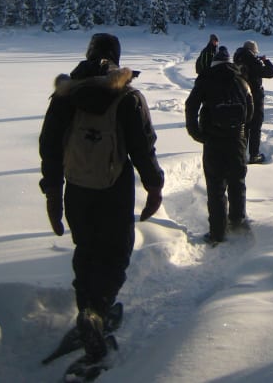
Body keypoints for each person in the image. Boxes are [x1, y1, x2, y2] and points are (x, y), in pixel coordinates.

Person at [39, 33, 164, 363]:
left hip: (76, 186)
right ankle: (97, 312)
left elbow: (50, 145)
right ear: (116, 57)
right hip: (114, 189)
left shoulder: (65, 95)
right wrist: (154, 186)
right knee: (115, 252)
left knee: (87, 250)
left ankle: (87, 310)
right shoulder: (126, 96)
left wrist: (53, 191)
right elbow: (143, 147)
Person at [185, 45, 254, 243]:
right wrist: (242, 127)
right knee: (237, 180)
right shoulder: (241, 80)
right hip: (237, 139)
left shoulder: (206, 79)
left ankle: (217, 231)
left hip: (213, 139)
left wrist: (196, 132)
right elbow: (250, 109)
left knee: (215, 186)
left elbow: (191, 106)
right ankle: (237, 219)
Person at [233, 40, 273, 164]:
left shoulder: (237, 59)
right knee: (256, 126)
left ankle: (241, 154)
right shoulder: (253, 62)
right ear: (253, 51)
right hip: (255, 97)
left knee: (244, 127)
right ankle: (254, 155)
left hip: (240, 97)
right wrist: (265, 61)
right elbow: (271, 72)